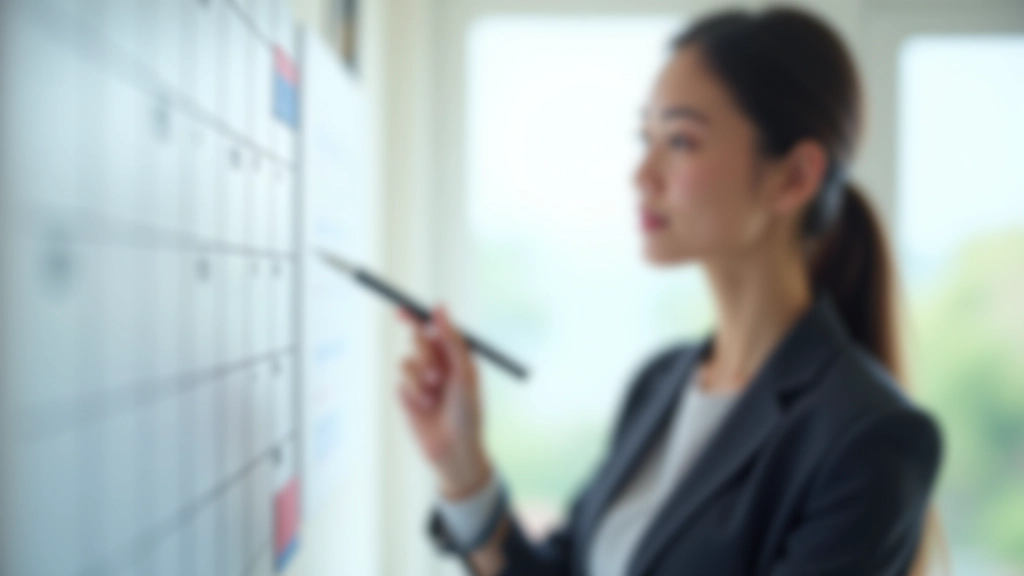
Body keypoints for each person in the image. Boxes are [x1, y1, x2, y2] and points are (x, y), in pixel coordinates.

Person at [395, 6, 944, 576]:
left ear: (794, 177)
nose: (641, 174)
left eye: (680, 140)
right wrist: (462, 470)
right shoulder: (661, 381)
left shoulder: (869, 437)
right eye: (645, 137)